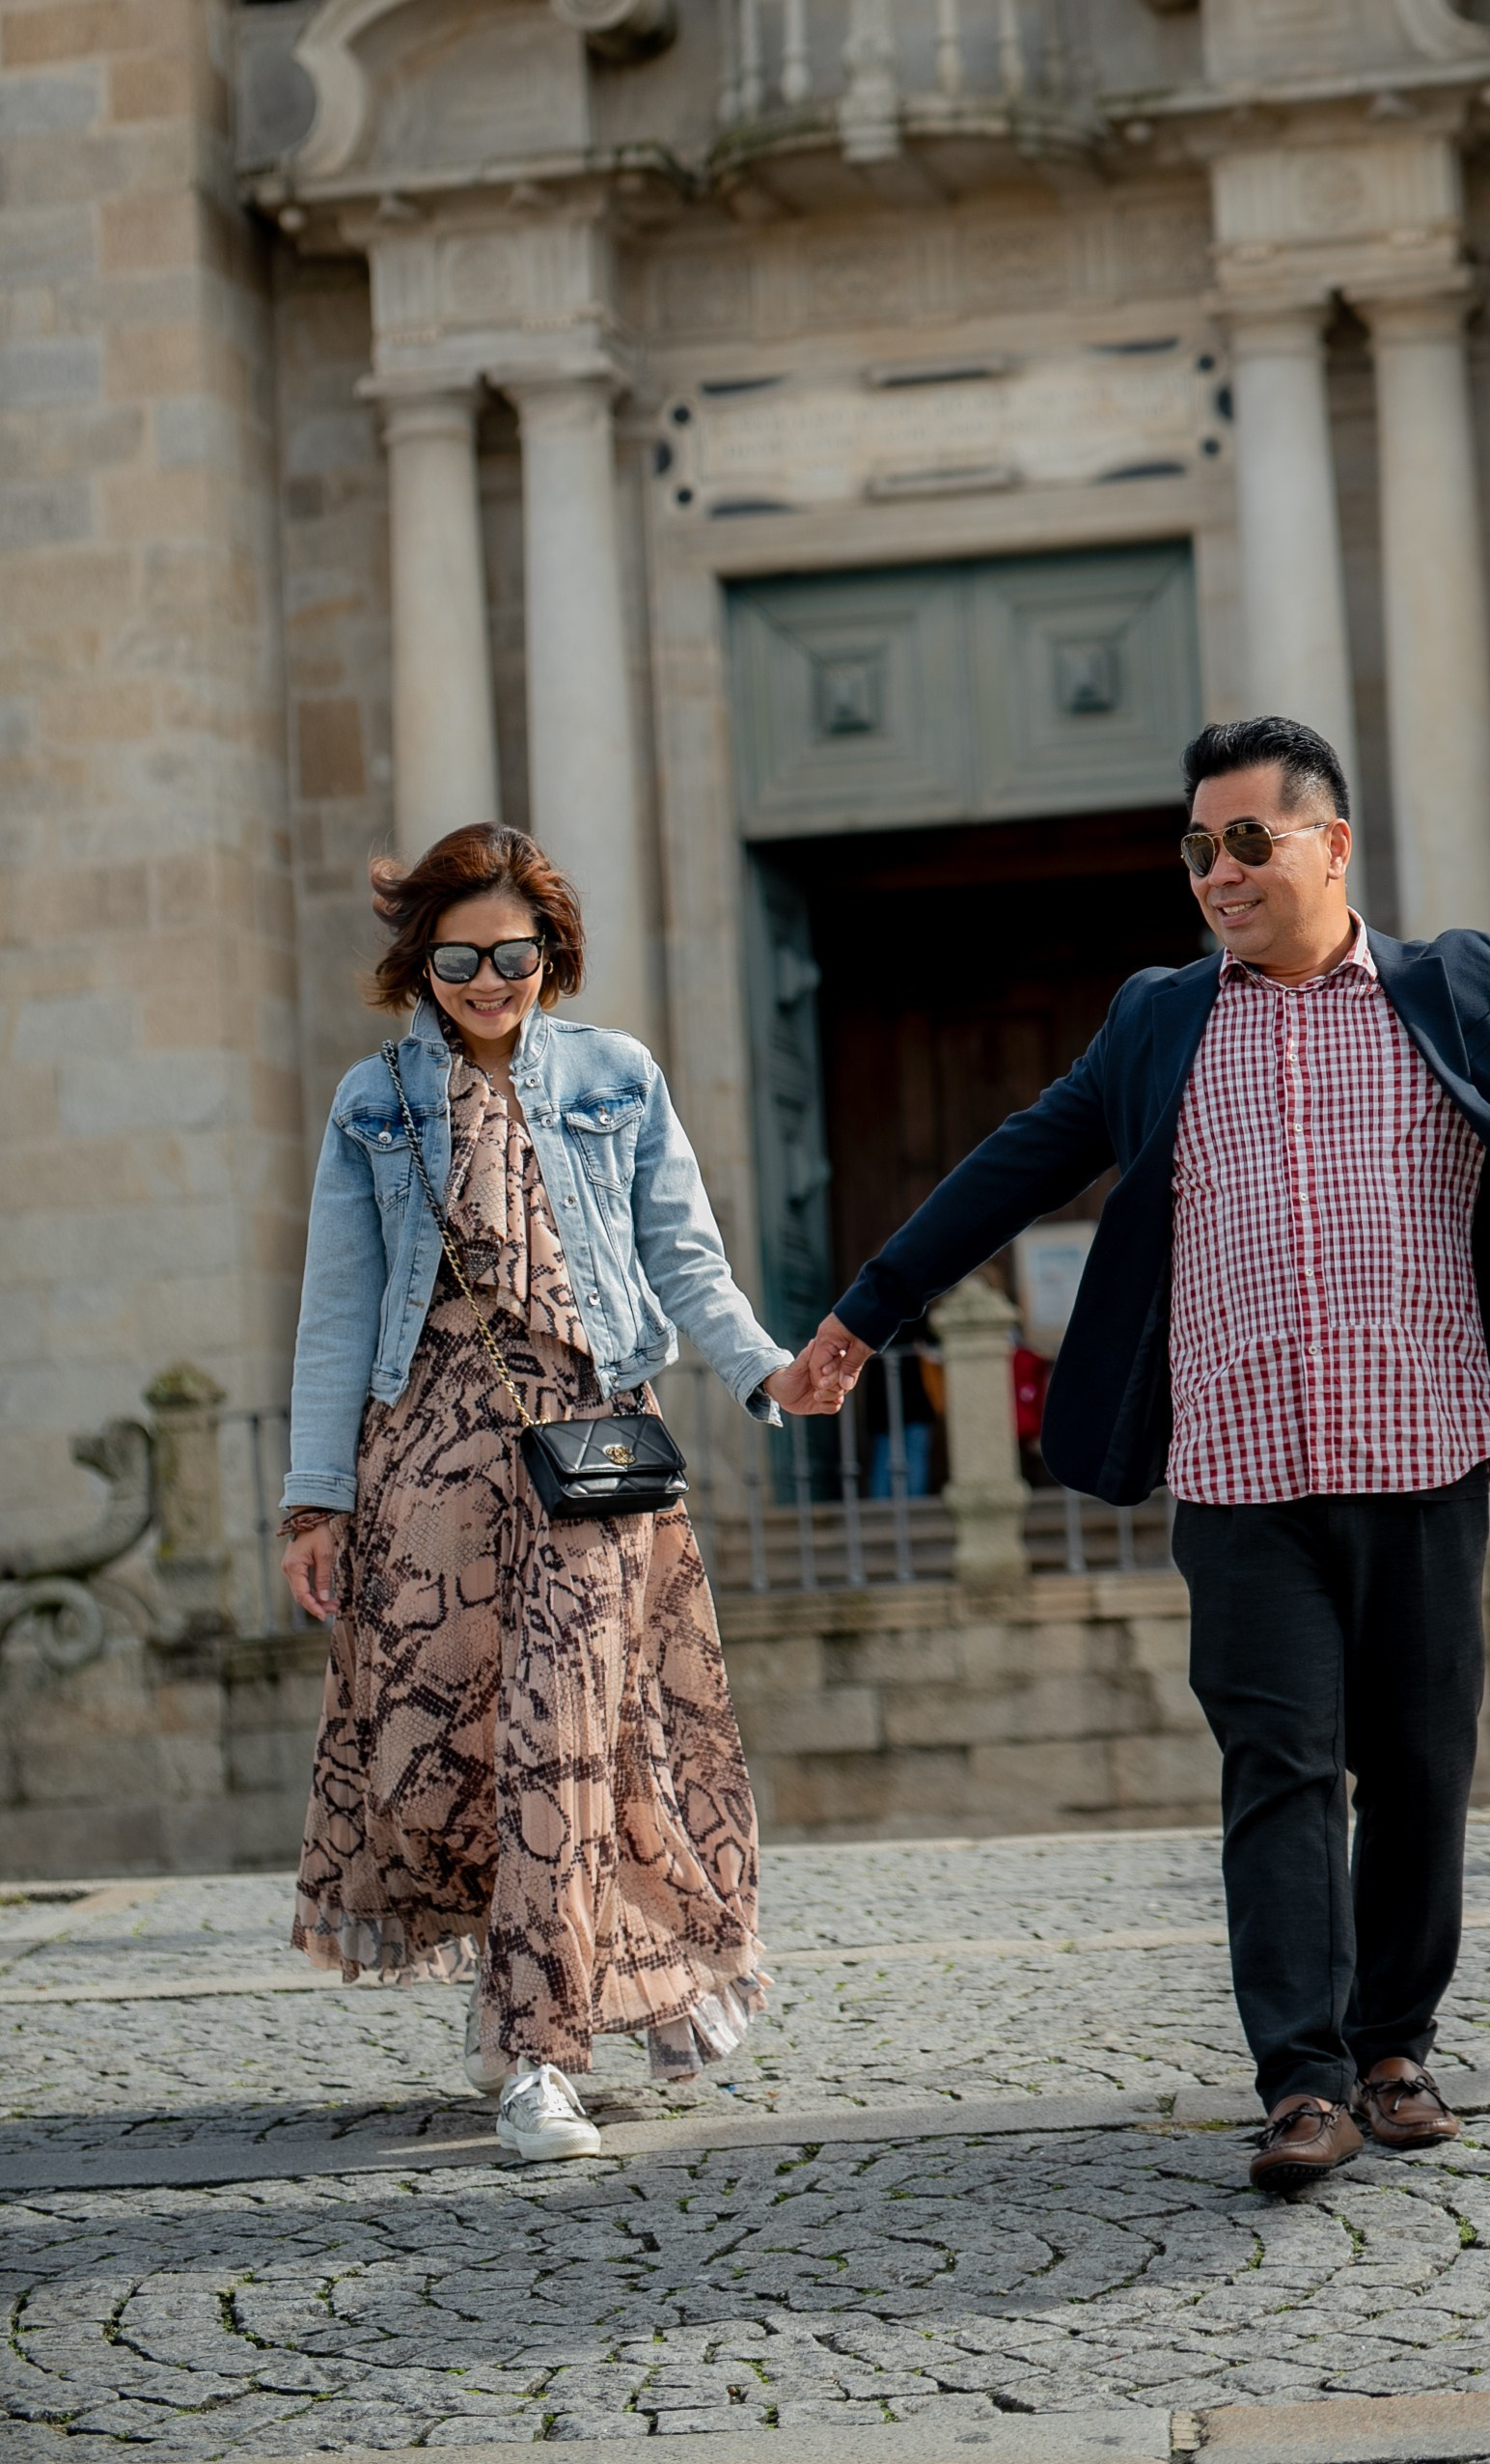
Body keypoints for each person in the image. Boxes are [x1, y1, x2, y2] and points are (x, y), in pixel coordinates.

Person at [774, 711, 1490, 2196]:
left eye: (1249, 839)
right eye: (1198, 847)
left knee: (1424, 1766)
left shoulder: (1462, 989)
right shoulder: (1158, 1020)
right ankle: (1303, 2079)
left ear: (1332, 843)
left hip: (1424, 1452)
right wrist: (864, 1317)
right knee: (1280, 1768)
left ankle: (1395, 2047)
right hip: (1241, 1473)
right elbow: (1012, 1162)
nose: (1220, 872)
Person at [279, 822, 805, 2165]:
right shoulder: (373, 1103)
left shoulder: (616, 1077)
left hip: (588, 1451)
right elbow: (337, 1308)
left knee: (570, 1735)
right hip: (427, 1463)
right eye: (459, 956)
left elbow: (685, 1256)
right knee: (451, 1749)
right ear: (421, 960)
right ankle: (527, 1987)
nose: (489, 979)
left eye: (513, 953)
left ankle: (535, 2056)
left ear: (550, 953)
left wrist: (764, 1370)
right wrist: (312, 1498)